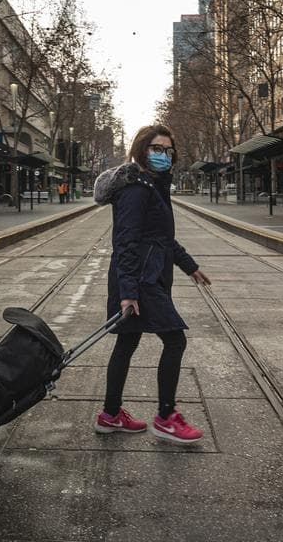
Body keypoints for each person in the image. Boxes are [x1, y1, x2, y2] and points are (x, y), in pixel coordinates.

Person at [90, 123, 212, 444]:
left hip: (145, 276)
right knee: (175, 341)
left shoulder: (154, 186)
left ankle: (110, 414)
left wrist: (190, 267)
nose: (163, 155)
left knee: (127, 343)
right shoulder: (136, 190)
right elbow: (126, 242)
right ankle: (166, 418)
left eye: (168, 150)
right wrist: (128, 292)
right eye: (157, 149)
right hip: (140, 281)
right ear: (142, 150)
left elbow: (163, 239)